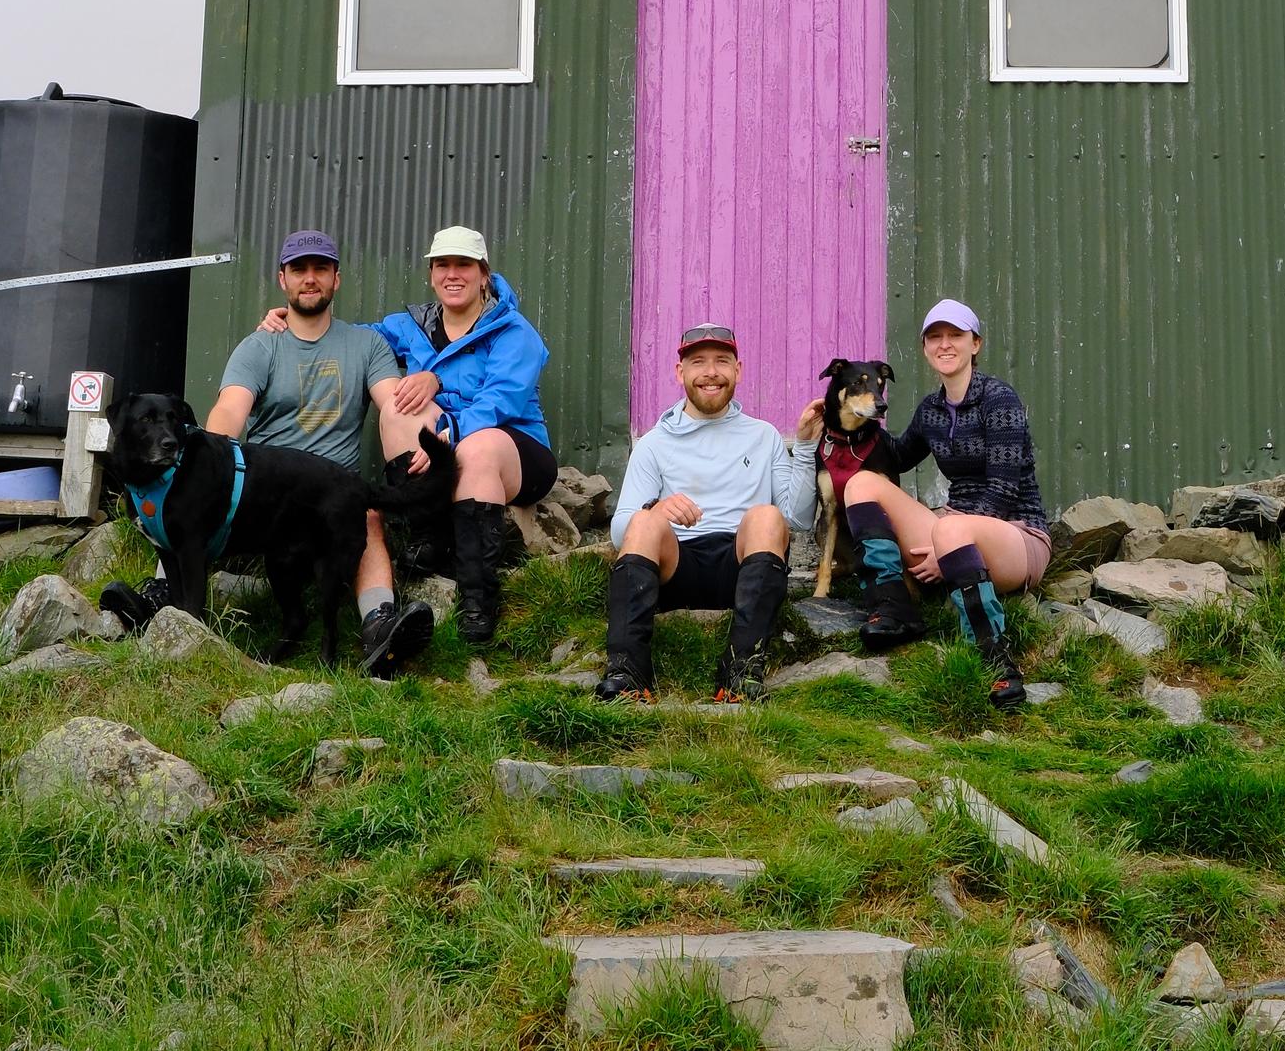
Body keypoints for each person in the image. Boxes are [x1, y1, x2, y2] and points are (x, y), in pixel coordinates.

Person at [197, 228, 430, 677]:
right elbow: (230, 409)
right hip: (267, 490)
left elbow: (394, 403)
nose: (309, 278)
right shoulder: (260, 344)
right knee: (197, 498)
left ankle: (379, 624)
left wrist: (420, 436)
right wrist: (211, 461)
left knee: (367, 514)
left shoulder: (366, 345)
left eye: (320, 269)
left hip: (332, 493)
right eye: (299, 269)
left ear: (336, 279)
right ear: (282, 279)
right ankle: (162, 597)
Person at [825, 297, 1048, 706]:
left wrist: (945, 549)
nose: (944, 344)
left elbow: (1003, 491)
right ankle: (895, 610)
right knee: (861, 484)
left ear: (975, 344)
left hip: (1017, 535)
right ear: (926, 348)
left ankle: (995, 661)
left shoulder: (999, 400)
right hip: (952, 529)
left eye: (955, 335)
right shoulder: (931, 409)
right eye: (934, 337)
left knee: (949, 527)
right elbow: (896, 456)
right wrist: (840, 426)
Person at [597, 325, 816, 704]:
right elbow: (620, 532)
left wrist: (807, 447)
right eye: (698, 362)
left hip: (743, 566)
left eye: (722, 361)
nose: (711, 372)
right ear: (680, 372)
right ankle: (628, 675)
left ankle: (741, 674)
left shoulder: (764, 436)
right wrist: (657, 509)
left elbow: (797, 518)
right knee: (643, 520)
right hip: (676, 569)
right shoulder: (653, 444)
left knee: (766, 516)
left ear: (738, 370)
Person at [364, 225, 556, 644]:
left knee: (477, 448)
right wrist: (291, 321)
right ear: (432, 274)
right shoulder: (411, 326)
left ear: (483, 274)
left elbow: (499, 402)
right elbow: (355, 342)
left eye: (464, 265)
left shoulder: (513, 331)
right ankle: (429, 537)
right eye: (442, 265)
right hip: (446, 445)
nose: (453, 274)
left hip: (513, 449)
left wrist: (442, 407)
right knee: (398, 406)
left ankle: (478, 598)